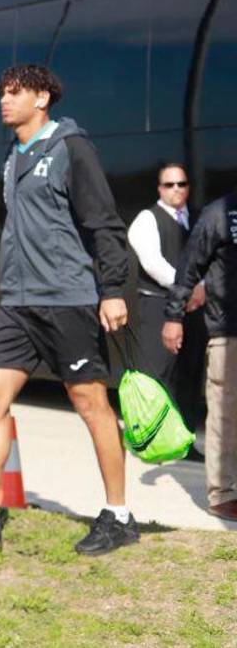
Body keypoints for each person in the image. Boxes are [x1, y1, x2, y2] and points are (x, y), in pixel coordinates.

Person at [0, 64, 138, 558]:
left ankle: (119, 516)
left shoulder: (70, 147)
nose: (4, 99)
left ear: (42, 98)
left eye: (14, 91)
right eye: (1, 91)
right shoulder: (13, 154)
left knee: (90, 403)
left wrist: (111, 289)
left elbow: (104, 222)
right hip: (18, 301)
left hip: (66, 297)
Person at [163, 190, 237, 519]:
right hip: (229, 331)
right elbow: (189, 266)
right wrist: (174, 316)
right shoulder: (220, 212)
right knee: (225, 414)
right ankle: (222, 494)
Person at [127, 162, 206, 446]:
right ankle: (153, 440)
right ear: (160, 188)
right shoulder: (146, 219)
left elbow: (211, 257)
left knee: (190, 375)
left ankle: (184, 441)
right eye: (170, 184)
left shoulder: (199, 218)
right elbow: (152, 263)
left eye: (182, 184)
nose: (176, 190)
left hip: (195, 308)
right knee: (158, 376)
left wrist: (203, 289)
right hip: (158, 306)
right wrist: (188, 288)